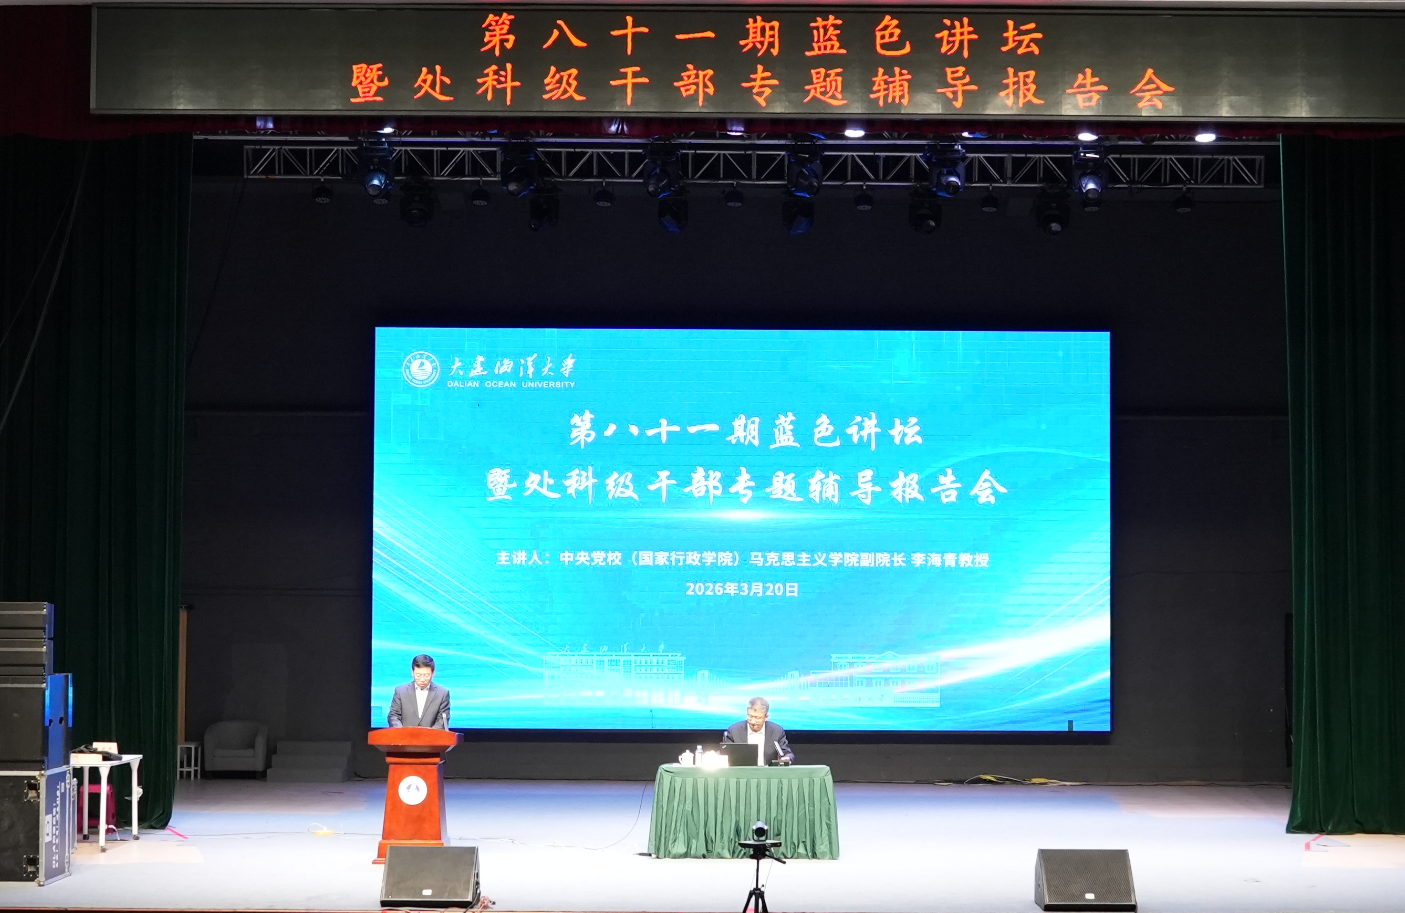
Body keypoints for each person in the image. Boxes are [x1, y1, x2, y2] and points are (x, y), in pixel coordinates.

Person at [722, 696, 794, 765]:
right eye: (750, 716)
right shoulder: (734, 730)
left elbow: (787, 753)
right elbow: (724, 754)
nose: (753, 721)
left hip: (768, 772)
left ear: (766, 717)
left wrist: (787, 758)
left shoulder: (776, 731)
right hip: (741, 771)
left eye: (757, 718)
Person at [387, 654, 451, 729]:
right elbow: (393, 716)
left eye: (426, 675)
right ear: (412, 672)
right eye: (418, 675)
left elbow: (442, 721)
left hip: (431, 736)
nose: (422, 679)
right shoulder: (400, 691)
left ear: (433, 673)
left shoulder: (442, 694)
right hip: (404, 736)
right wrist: (403, 733)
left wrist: (428, 735)